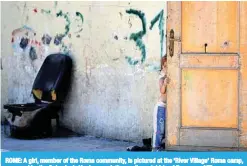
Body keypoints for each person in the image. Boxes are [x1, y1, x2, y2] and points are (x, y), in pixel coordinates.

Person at [152, 55, 169, 151]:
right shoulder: (162, 79)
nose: (167, 69)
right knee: (159, 129)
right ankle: (155, 148)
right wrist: (165, 84)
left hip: (168, 107)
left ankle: (161, 147)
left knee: (165, 129)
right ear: (162, 67)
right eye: (165, 66)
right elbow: (162, 91)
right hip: (161, 107)